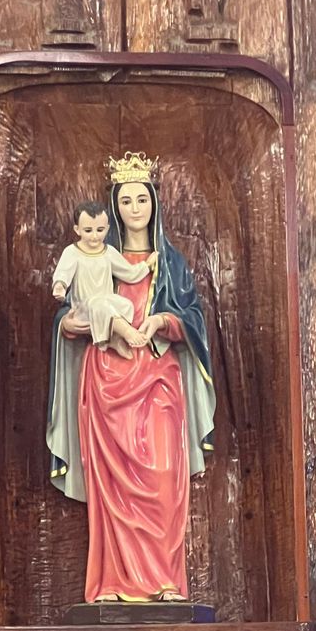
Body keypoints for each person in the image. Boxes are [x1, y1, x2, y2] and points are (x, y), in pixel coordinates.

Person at [44, 150, 216, 604]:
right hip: (106, 380)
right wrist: (69, 323)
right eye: (125, 201)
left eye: (142, 199)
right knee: (113, 491)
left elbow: (193, 322)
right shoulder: (98, 257)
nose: (134, 209)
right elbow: (71, 311)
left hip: (158, 377)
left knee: (161, 474)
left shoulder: (171, 263)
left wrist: (160, 323)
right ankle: (113, 584)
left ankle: (165, 582)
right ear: (113, 207)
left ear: (154, 203)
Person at [50, 199, 153, 358]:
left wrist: (146, 266)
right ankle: (127, 332)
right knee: (99, 305)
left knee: (125, 305)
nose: (94, 236)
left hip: (106, 303)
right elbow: (63, 272)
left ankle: (114, 340)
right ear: (77, 230)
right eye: (88, 230)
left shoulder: (108, 252)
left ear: (107, 228)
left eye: (99, 230)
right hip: (84, 309)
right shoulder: (72, 252)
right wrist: (60, 286)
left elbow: (129, 273)